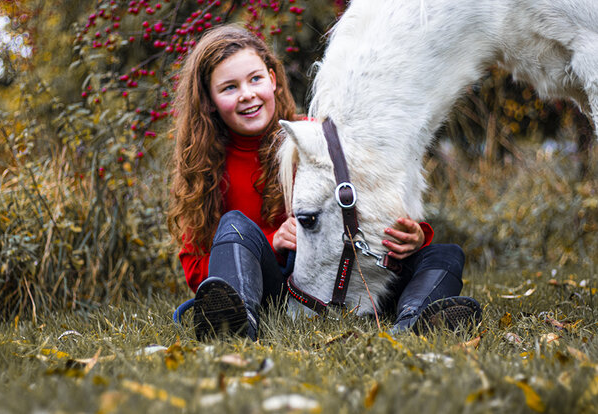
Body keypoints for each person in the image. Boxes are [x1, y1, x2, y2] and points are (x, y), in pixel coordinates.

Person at [168, 25, 481, 341]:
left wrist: (415, 236)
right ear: (208, 100)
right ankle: (237, 324)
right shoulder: (204, 169)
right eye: (229, 88)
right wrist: (271, 241)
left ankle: (413, 321)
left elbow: (369, 206)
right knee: (235, 225)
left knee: (444, 254)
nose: (247, 94)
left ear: (273, 80)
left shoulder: (317, 141)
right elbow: (196, 272)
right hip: (272, 290)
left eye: (255, 79)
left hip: (339, 276)